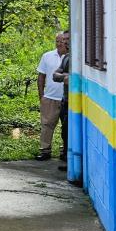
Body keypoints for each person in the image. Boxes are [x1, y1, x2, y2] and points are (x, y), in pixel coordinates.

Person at [36, 31, 69, 161]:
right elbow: (41, 76)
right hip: (50, 98)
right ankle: (45, 150)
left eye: (63, 41)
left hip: (67, 99)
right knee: (47, 125)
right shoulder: (47, 56)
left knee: (66, 127)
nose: (60, 43)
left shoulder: (71, 57)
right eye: (57, 41)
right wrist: (41, 95)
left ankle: (65, 151)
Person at [52, 30, 72, 170]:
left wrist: (68, 77)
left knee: (71, 132)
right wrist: (66, 76)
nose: (64, 41)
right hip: (65, 100)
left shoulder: (78, 58)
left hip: (75, 101)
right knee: (65, 132)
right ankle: (67, 158)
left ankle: (71, 161)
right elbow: (55, 75)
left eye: (67, 38)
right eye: (63, 39)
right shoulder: (66, 58)